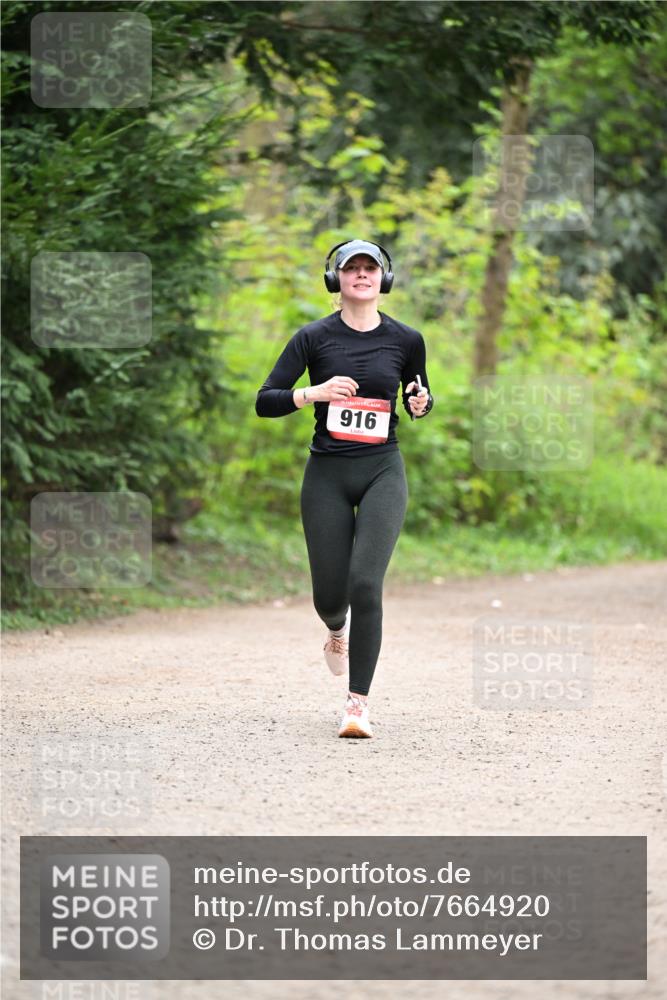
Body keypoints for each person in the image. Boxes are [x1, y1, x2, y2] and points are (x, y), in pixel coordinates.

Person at [255, 239, 434, 738]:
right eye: (351, 268)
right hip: (327, 475)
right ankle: (337, 631)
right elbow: (265, 400)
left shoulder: (407, 339)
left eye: (369, 268)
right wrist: (314, 392)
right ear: (337, 280)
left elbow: (419, 392)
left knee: (365, 582)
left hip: (382, 471)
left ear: (384, 279)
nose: (361, 275)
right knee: (330, 597)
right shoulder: (312, 338)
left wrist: (420, 402)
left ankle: (357, 705)